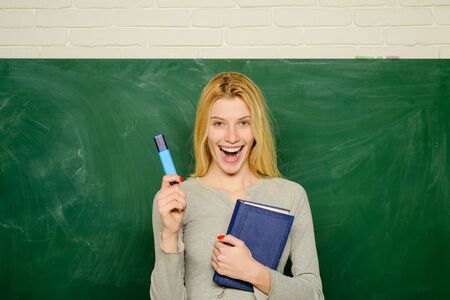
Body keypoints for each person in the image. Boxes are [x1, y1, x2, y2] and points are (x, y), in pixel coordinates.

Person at [150, 72, 324, 300]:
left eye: (244, 123)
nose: (231, 137)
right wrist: (170, 234)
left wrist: (254, 273)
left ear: (257, 130)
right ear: (205, 130)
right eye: (219, 124)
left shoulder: (291, 195)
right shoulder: (175, 199)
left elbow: (314, 295)